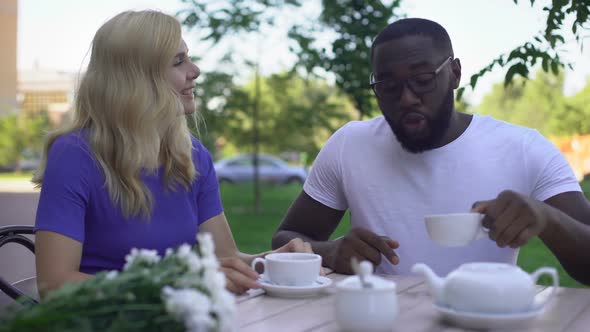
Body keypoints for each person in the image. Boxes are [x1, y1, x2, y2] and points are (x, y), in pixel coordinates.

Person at [272, 18, 590, 284]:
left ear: (454, 73)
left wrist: (548, 219)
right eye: (388, 85)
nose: (407, 98)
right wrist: (328, 252)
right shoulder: (349, 145)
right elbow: (286, 237)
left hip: (484, 320)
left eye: (422, 79)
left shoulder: (524, 148)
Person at [32, 10, 312, 298]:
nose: (196, 70)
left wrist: (277, 261)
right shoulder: (74, 156)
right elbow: (54, 285)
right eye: (179, 61)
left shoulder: (192, 157)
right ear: (136, 80)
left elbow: (225, 260)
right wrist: (176, 284)